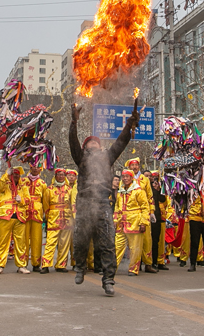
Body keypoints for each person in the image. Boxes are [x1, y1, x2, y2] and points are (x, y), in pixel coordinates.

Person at [69, 99, 139, 297]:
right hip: (84, 204)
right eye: (90, 142)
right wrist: (74, 122)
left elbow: (121, 142)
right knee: (81, 241)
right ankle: (80, 268)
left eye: (96, 142)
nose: (94, 143)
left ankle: (108, 279)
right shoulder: (80, 158)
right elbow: (73, 142)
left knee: (107, 243)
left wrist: (129, 124)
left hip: (102, 204)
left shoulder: (107, 157)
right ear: (85, 147)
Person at [0, 165, 30, 274]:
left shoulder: (23, 186)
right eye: (13, 174)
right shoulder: (5, 184)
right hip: (6, 215)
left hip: (20, 216)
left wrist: (22, 200)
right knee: (3, 241)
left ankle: (21, 265)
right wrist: (6, 175)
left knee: (21, 242)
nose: (15, 177)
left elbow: (28, 200)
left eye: (17, 175)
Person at [113, 169, 149, 276]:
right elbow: (116, 207)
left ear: (131, 178)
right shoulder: (120, 191)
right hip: (121, 222)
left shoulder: (138, 191)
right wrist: (115, 220)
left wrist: (143, 222)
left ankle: (133, 269)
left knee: (135, 247)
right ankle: (112, 268)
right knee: (117, 246)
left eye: (127, 177)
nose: (125, 179)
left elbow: (145, 207)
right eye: (123, 177)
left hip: (135, 223)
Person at [125, 158, 157, 274]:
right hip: (130, 215)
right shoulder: (126, 179)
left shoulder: (144, 179)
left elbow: (150, 196)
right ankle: (134, 265)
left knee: (147, 239)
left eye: (136, 165)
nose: (134, 167)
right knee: (133, 242)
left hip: (144, 212)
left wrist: (152, 211)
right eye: (132, 165)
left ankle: (148, 264)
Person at [40, 168, 74, 273]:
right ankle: (45, 264)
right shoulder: (49, 189)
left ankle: (61, 265)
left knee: (64, 242)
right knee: (50, 242)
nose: (61, 176)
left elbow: (72, 203)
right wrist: (49, 216)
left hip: (67, 218)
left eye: (63, 174)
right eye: (59, 174)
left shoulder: (70, 189)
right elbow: (45, 205)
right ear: (55, 175)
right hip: (53, 218)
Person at [23, 164, 47, 272]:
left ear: (40, 169)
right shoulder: (23, 181)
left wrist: (46, 214)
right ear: (30, 168)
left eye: (38, 167)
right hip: (24, 213)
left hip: (37, 213)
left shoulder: (43, 183)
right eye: (34, 167)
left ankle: (36, 264)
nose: (36, 169)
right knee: (23, 240)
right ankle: (22, 264)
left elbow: (45, 200)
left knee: (37, 239)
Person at [149, 173, 173, 270]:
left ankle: (158, 261)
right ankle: (148, 261)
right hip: (146, 218)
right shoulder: (144, 190)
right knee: (148, 242)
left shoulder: (158, 191)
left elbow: (164, 200)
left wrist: (159, 190)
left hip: (159, 218)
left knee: (158, 241)